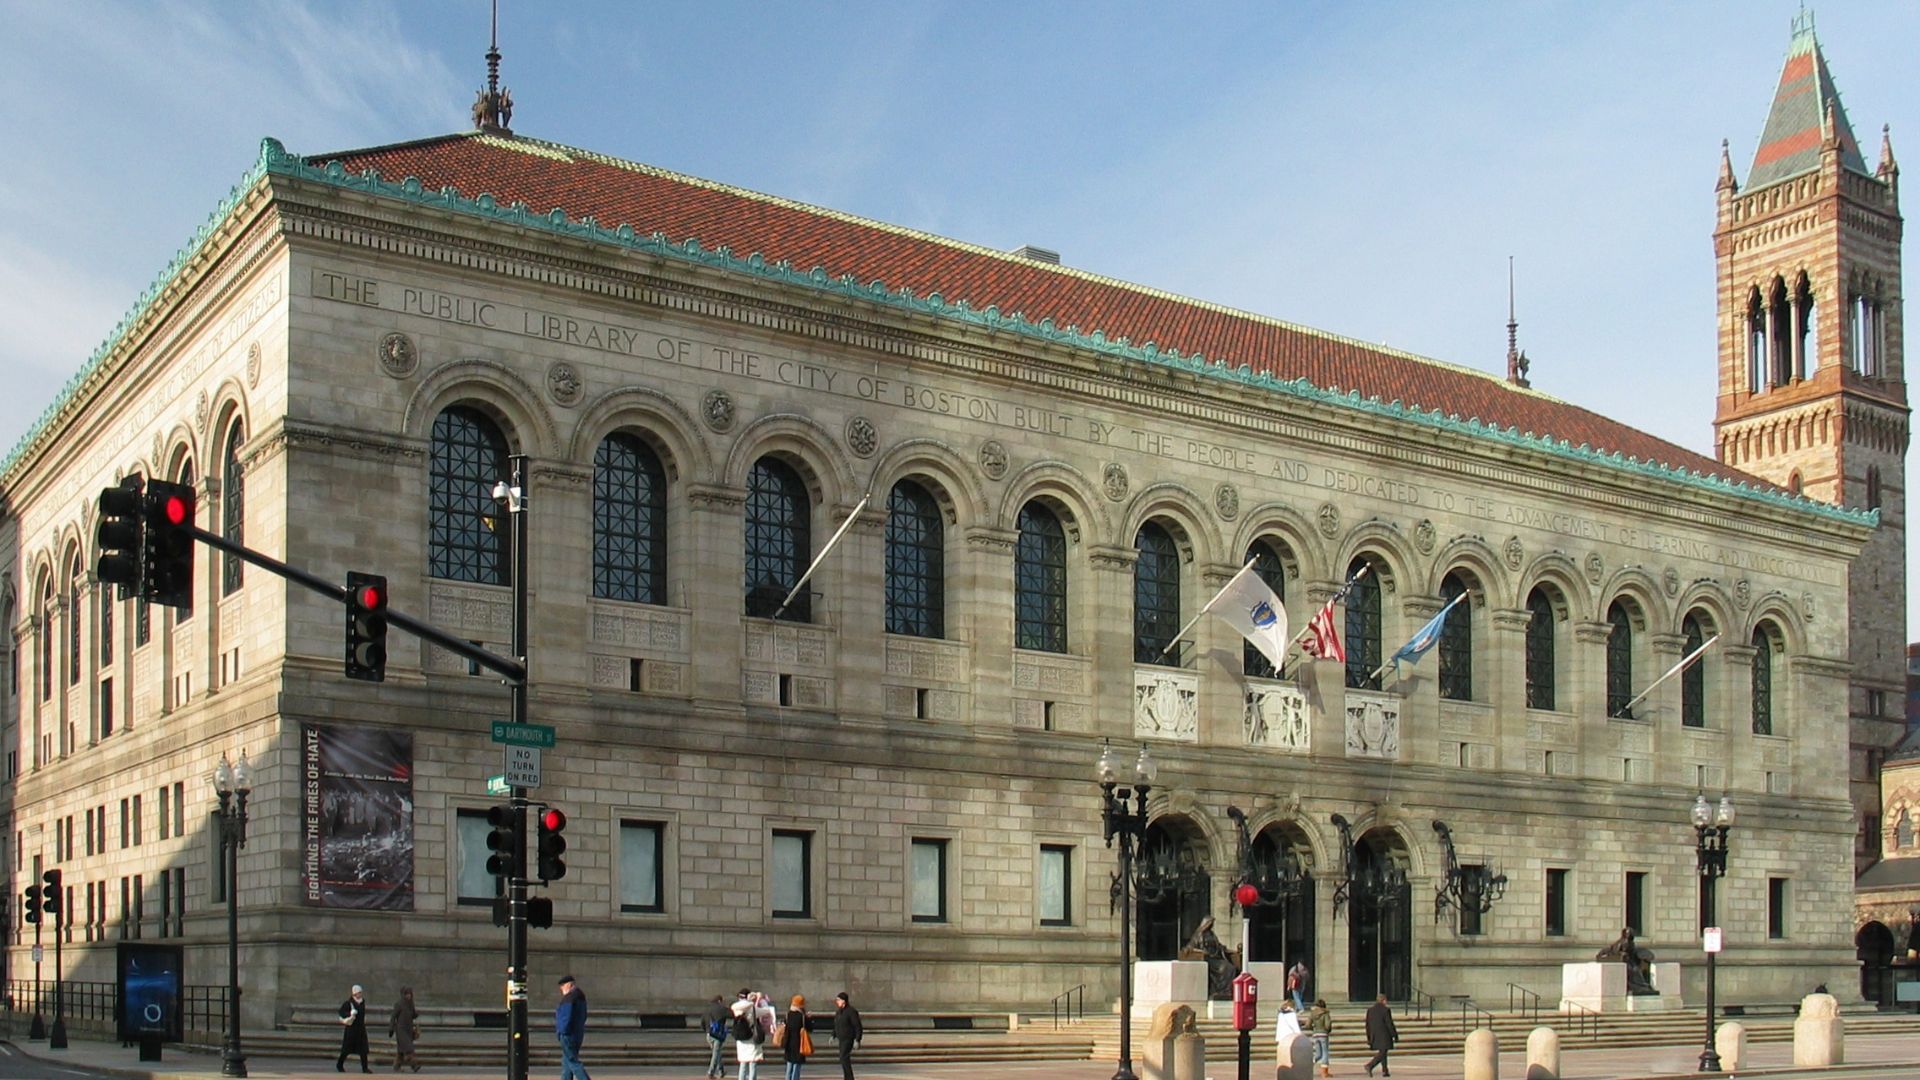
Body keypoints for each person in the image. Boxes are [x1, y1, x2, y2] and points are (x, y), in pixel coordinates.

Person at [556, 974, 591, 1080]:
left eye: (562, 986)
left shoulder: (569, 998)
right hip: (577, 1034)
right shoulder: (580, 997)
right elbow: (583, 1016)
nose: (561, 989)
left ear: (569, 985)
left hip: (568, 1034)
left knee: (572, 1062)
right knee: (567, 1062)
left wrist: (561, 1032)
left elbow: (566, 1017)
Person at [734, 991, 770, 1080]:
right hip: (751, 1038)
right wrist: (761, 1000)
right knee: (752, 1062)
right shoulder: (753, 1009)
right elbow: (766, 1010)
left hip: (741, 1039)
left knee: (743, 1063)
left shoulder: (736, 1007)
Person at [337, 984, 371, 1073]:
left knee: (363, 1050)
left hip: (361, 1029)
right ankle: (339, 1064)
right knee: (346, 1050)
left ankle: (365, 1068)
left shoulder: (362, 1002)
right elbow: (341, 1012)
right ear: (354, 993)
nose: (360, 994)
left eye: (360, 992)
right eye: (358, 993)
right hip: (351, 1030)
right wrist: (350, 1014)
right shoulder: (348, 1003)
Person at [388, 986, 422, 1073]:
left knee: (401, 1050)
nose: (408, 996)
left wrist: (416, 1014)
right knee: (408, 1048)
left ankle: (397, 1065)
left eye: (410, 994)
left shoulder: (411, 1004)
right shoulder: (399, 1004)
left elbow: (412, 1015)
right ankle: (414, 1065)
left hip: (408, 1030)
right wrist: (391, 1028)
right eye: (407, 994)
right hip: (401, 1030)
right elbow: (393, 1017)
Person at [1364, 994, 1397, 1078]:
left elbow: (1367, 1025)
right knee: (1383, 1052)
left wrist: (1369, 1037)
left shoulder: (1370, 1010)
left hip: (1374, 1034)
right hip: (1384, 1034)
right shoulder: (1386, 1010)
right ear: (1383, 1000)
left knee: (1383, 1051)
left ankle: (1385, 1070)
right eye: (1386, 1000)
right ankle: (1370, 1065)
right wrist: (1394, 1035)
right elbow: (1389, 1023)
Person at [831, 991, 863, 1080]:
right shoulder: (839, 1012)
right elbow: (836, 1025)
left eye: (838, 1000)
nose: (837, 1002)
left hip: (848, 1038)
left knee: (843, 1057)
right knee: (843, 1059)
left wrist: (857, 1039)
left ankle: (849, 1078)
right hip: (841, 1038)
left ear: (843, 1001)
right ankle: (847, 1077)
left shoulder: (851, 1011)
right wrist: (833, 1035)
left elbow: (857, 1026)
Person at [779, 994, 811, 1080]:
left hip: (789, 1043)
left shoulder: (788, 1015)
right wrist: (809, 1018)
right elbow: (809, 1028)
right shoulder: (802, 1016)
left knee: (789, 1065)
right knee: (796, 1066)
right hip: (799, 1043)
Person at [704, 994, 735, 1079]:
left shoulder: (707, 1009)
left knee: (717, 1053)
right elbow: (732, 1015)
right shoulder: (722, 1009)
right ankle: (711, 1072)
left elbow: (702, 1021)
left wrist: (706, 1030)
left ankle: (721, 1071)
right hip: (717, 1034)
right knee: (716, 1053)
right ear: (719, 1001)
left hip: (709, 1033)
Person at [1306, 998, 1332, 1078]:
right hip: (1323, 1034)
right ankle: (1324, 1072)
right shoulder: (1325, 1013)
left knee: (1318, 1054)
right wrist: (1327, 1030)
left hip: (1315, 1034)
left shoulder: (1312, 1013)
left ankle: (1308, 1065)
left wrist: (1313, 1029)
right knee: (1325, 1053)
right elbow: (1328, 1025)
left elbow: (1308, 1024)